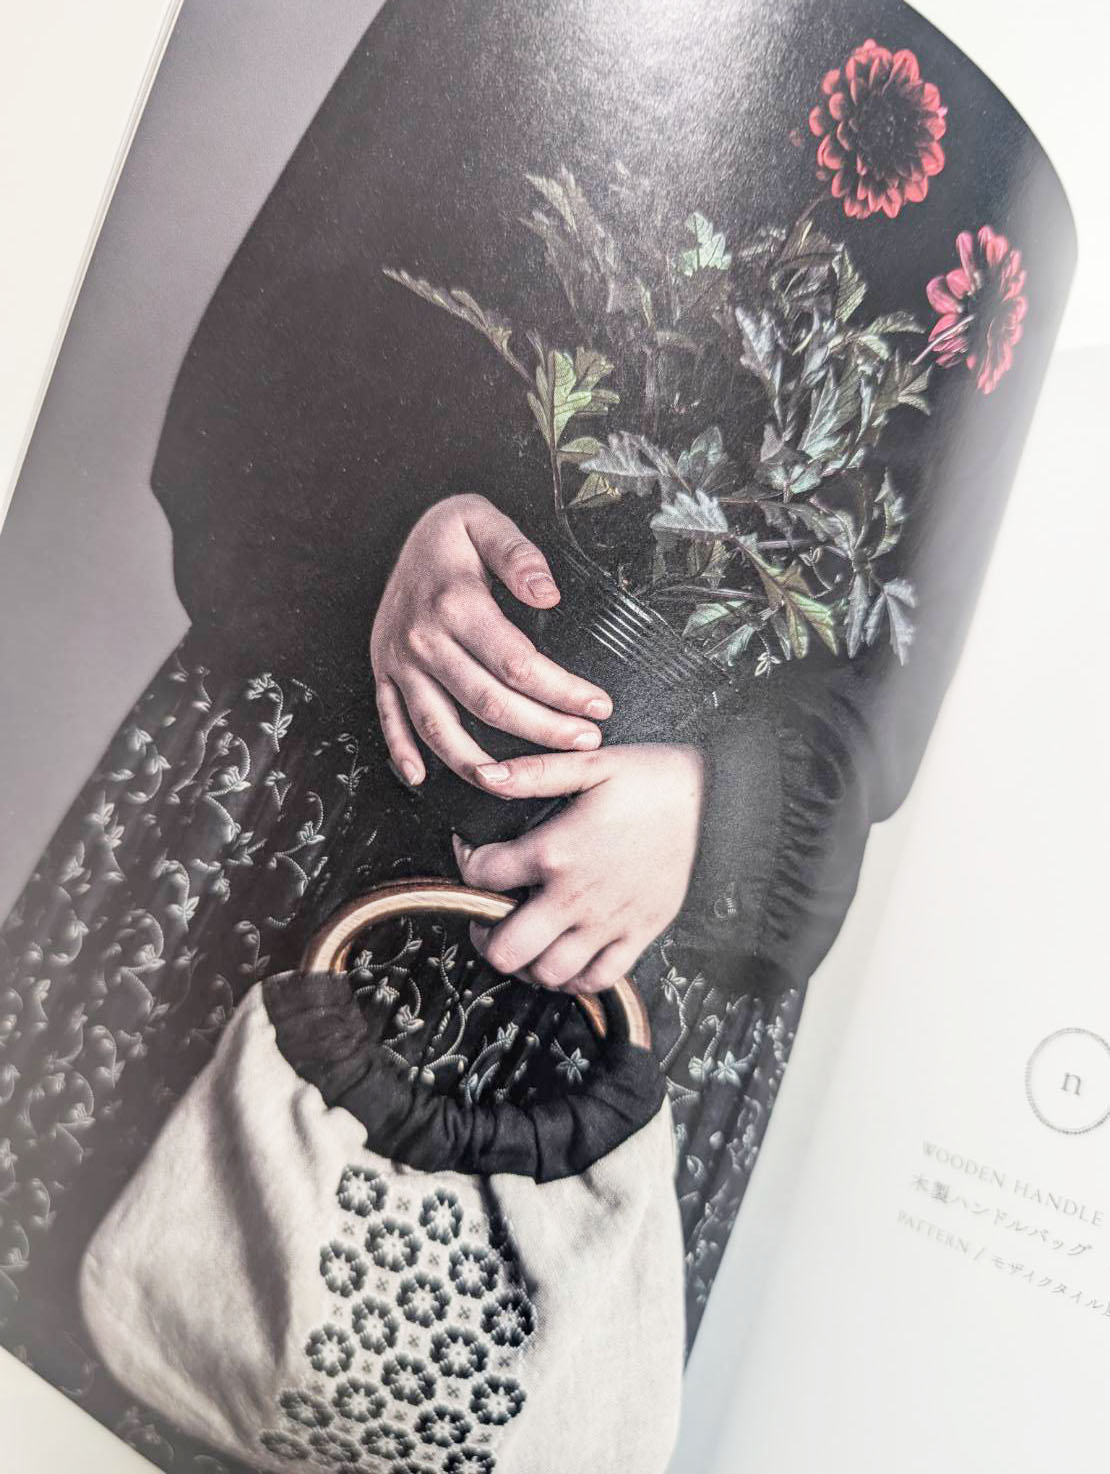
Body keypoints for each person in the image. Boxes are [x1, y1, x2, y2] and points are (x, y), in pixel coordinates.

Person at [0, 0, 1072, 1465]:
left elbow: (900, 672)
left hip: (644, 931)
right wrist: (389, 536)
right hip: (313, 787)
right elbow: (276, 326)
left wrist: (726, 816)